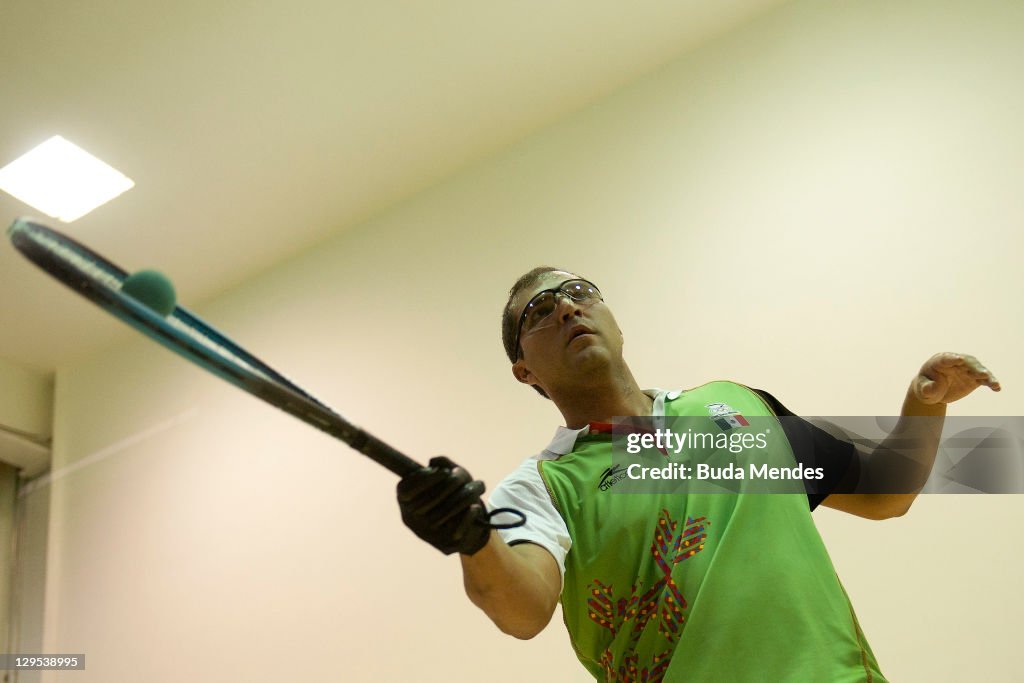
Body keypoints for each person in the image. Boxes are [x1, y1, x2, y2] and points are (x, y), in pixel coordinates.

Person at [397, 267, 1001, 682]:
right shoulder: (542, 487)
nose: (566, 307)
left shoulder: (737, 404)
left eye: (579, 291)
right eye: (539, 311)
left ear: (612, 316)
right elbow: (521, 609)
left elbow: (884, 491)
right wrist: (472, 538)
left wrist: (926, 402)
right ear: (524, 370)